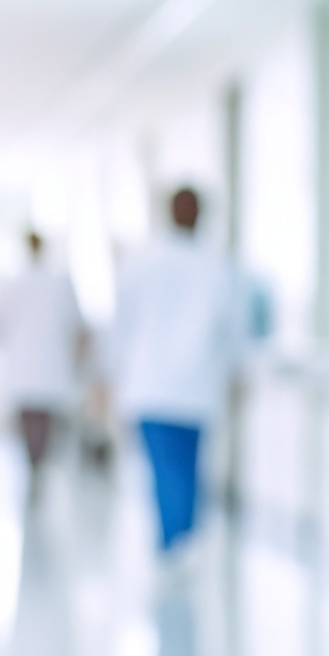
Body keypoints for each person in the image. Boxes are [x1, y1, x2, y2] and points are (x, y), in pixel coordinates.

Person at [107, 186, 250, 561]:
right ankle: (181, 538)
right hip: (196, 387)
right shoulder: (217, 266)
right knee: (187, 469)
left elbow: (120, 327)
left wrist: (108, 375)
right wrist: (237, 375)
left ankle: (172, 541)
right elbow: (236, 330)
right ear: (200, 216)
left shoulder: (140, 263)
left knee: (162, 470)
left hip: (149, 386)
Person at [0, 230, 84, 494]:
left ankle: (34, 467)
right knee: (43, 423)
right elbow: (78, 329)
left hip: (23, 367)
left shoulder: (11, 284)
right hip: (50, 366)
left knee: (28, 423)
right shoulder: (60, 283)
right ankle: (37, 467)